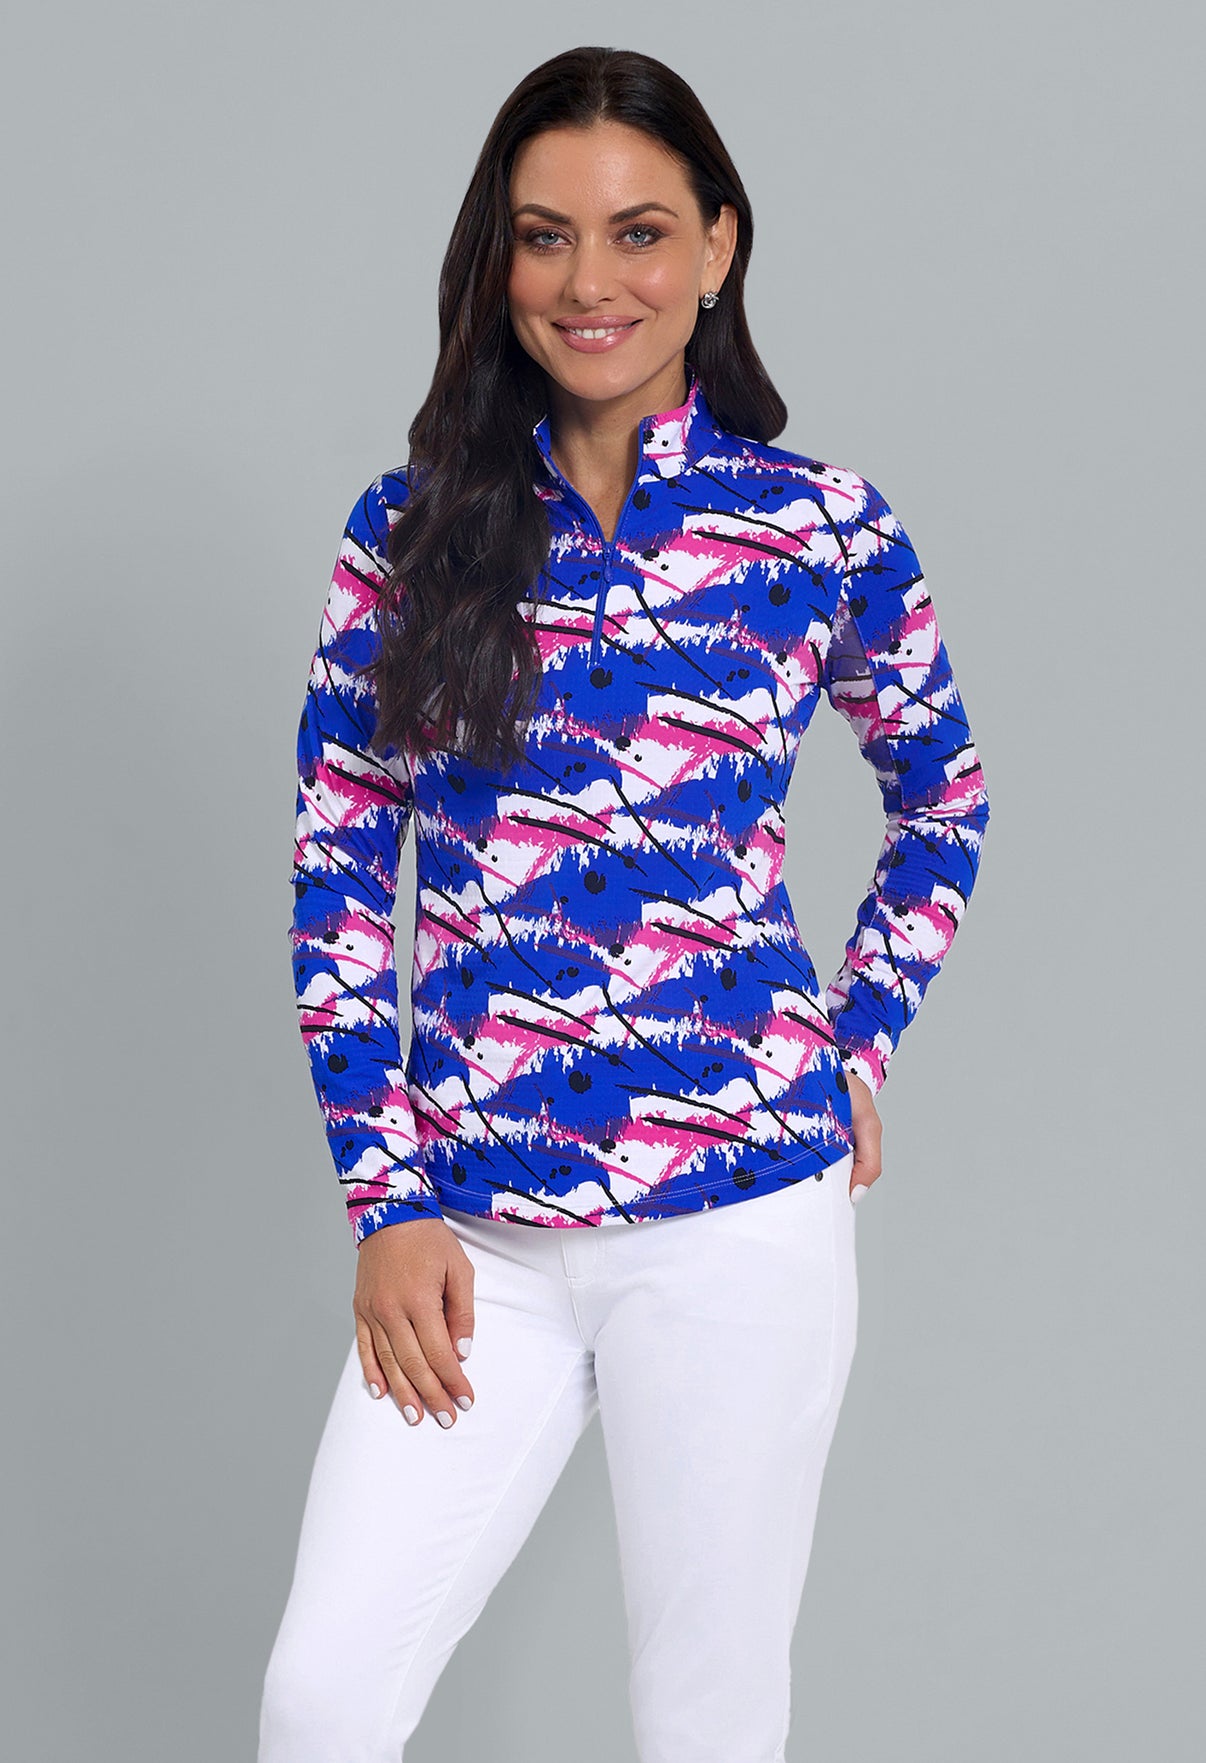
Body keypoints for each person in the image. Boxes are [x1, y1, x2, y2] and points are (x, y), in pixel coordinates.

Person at [257, 44, 991, 1763]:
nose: (589, 283)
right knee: (323, 1698)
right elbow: (339, 865)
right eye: (544, 236)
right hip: (473, 1244)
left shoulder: (818, 531)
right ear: (496, 259)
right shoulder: (409, 530)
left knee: (704, 1723)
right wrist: (383, 1196)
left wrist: (854, 1038)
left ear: (717, 246)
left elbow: (941, 796)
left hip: (738, 1222)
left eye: (639, 232)